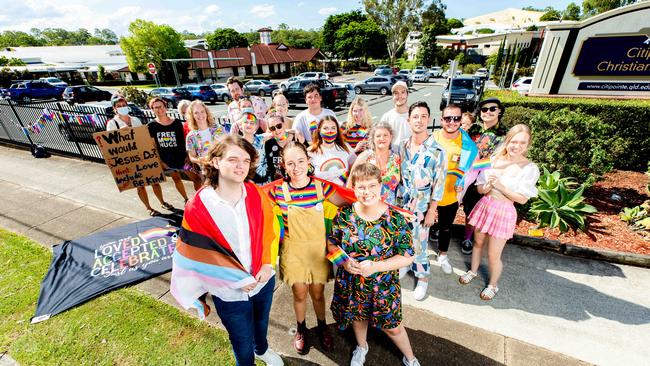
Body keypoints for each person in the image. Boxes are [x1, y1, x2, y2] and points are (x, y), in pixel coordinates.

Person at [170, 135, 283, 366]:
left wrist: (267, 263)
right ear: (215, 162)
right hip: (228, 291)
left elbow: (271, 229)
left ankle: (261, 349)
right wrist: (234, 280)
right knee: (240, 339)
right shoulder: (199, 206)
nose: (241, 165)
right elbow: (194, 255)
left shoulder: (255, 193)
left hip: (263, 279)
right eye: (233, 159)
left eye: (245, 160)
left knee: (261, 323)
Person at [265, 141, 353, 355]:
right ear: (284, 166)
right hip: (292, 253)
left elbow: (350, 203)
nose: (296, 168)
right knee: (299, 294)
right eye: (291, 163)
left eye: (301, 161)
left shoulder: (321, 187)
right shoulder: (277, 190)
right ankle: (302, 329)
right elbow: (252, 207)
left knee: (318, 293)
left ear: (308, 161)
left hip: (317, 252)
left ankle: (322, 326)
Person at [329, 163, 420, 366]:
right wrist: (343, 263)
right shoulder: (344, 214)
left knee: (393, 327)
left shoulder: (395, 219)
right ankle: (362, 347)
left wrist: (377, 266)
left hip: (383, 286)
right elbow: (331, 242)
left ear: (380, 186)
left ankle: (411, 358)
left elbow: (407, 256)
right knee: (358, 318)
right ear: (353, 187)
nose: (367, 191)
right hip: (352, 282)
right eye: (361, 187)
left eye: (371, 186)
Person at [459, 124, 540, 300]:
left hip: (504, 210)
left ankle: (493, 285)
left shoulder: (530, 168)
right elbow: (479, 187)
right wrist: (486, 187)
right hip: (486, 204)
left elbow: (522, 198)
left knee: (493, 254)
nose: (516, 146)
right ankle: (473, 271)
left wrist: (500, 186)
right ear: (507, 141)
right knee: (478, 243)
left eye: (522, 143)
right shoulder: (493, 159)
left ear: (528, 145)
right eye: (513, 141)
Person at [397, 101, 447, 301]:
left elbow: (439, 183)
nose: (419, 120)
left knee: (421, 243)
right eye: (415, 116)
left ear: (429, 119)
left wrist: (432, 209)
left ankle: (423, 277)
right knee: (403, 238)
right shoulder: (403, 146)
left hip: (422, 205)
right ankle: (406, 264)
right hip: (402, 204)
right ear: (409, 120)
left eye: (423, 116)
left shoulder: (437, 150)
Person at [431, 104, 479, 274]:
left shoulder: (468, 145)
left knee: (445, 227)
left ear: (461, 120)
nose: (452, 122)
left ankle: (442, 255)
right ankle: (416, 255)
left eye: (456, 118)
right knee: (422, 225)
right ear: (442, 119)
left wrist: (464, 182)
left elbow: (473, 170)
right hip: (429, 195)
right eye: (448, 118)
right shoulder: (432, 138)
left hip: (451, 195)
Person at [461, 98, 508, 255]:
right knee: (467, 209)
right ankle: (466, 237)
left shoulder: (503, 135)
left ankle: (472, 239)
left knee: (479, 211)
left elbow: (497, 159)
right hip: (465, 175)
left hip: (485, 179)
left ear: (499, 111)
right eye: (484, 109)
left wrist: (475, 166)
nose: (488, 112)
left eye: (492, 109)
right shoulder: (474, 129)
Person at [106, 96, 161, 216]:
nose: (122, 107)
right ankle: (148, 207)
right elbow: (111, 145)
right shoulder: (112, 123)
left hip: (143, 156)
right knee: (140, 185)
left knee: (155, 181)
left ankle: (162, 201)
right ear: (114, 108)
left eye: (123, 105)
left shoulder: (135, 120)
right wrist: (121, 133)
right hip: (129, 159)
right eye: (119, 106)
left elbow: (143, 136)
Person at [147, 97, 201, 208]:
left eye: (161, 106)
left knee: (197, 179)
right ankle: (183, 200)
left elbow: (183, 141)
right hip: (166, 161)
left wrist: (187, 156)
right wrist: (160, 161)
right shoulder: (151, 126)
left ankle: (199, 201)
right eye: (155, 107)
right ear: (152, 109)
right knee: (174, 179)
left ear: (165, 107)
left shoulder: (176, 123)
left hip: (182, 160)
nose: (159, 109)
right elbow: (153, 145)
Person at [348, 122, 401, 205]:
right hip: (367, 209)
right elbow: (350, 185)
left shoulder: (397, 158)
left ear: (391, 137)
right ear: (373, 139)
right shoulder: (364, 157)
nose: (382, 138)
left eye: (385, 135)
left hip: (390, 210)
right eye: (378, 136)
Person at [185, 100, 225, 185]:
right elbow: (192, 157)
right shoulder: (191, 136)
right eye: (196, 113)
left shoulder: (219, 129)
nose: (200, 115)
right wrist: (202, 160)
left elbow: (228, 147)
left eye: (202, 111)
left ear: (206, 112)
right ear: (192, 116)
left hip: (224, 168)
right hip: (208, 172)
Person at [308, 115, 356, 186]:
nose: (330, 131)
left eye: (333, 128)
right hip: (322, 194)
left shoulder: (346, 148)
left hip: (344, 193)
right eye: (325, 128)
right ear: (319, 130)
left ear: (337, 130)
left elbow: (357, 167)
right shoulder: (311, 152)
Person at [262, 113, 305, 183]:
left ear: (284, 124)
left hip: (298, 182)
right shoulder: (269, 144)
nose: (276, 130)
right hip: (279, 185)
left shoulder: (297, 139)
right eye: (272, 128)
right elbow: (269, 167)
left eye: (279, 126)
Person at [238, 112, 271, 184]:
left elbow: (279, 134)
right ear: (240, 125)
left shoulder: (262, 138)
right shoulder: (237, 144)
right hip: (247, 182)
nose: (249, 125)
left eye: (252, 123)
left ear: (256, 127)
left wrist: (294, 131)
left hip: (265, 180)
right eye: (246, 122)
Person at [379, 81, 411, 150]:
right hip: (392, 157)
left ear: (407, 94)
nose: (399, 96)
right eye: (396, 93)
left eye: (402, 92)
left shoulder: (415, 115)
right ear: (392, 96)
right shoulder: (386, 117)